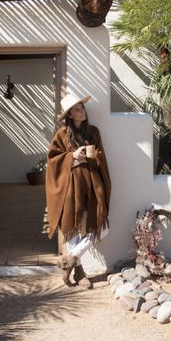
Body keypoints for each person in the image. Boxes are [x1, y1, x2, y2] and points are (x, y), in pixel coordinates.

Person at [45, 93, 111, 288]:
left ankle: (70, 259)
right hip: (71, 186)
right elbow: (52, 159)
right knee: (72, 228)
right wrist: (71, 157)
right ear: (70, 115)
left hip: (92, 183)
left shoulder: (93, 132)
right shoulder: (62, 134)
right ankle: (80, 273)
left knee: (103, 228)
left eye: (82, 107)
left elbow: (100, 155)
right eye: (77, 109)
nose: (82, 111)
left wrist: (89, 157)